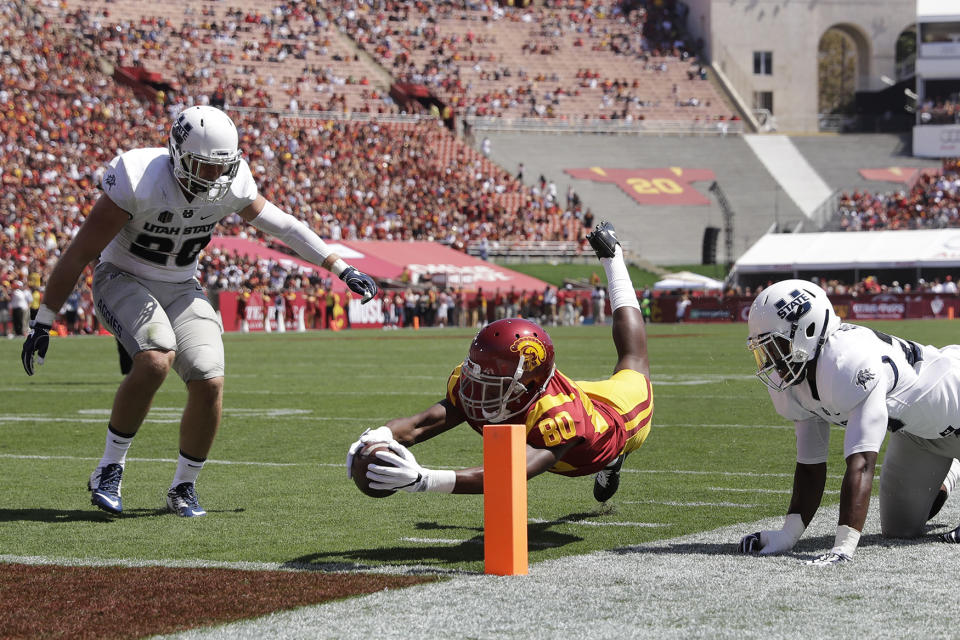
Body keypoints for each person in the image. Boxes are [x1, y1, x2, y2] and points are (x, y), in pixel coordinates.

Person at [21, 105, 378, 518]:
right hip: (122, 278)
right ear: (176, 152)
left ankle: (184, 486)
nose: (211, 176)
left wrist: (340, 266)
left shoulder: (232, 183)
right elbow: (81, 251)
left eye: (218, 167)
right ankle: (109, 467)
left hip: (182, 287)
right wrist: (43, 321)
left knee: (209, 378)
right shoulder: (138, 176)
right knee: (156, 358)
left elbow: (284, 226)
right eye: (200, 165)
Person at [346, 222, 653, 500]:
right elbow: (420, 425)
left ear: (528, 385)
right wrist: (380, 435)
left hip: (618, 419)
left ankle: (613, 258)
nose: (477, 390)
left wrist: (424, 480)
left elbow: (509, 473)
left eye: (493, 384)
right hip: (565, 397)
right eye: (478, 377)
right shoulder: (484, 384)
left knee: (633, 360)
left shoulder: (559, 418)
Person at [736, 279, 960, 565]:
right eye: (767, 350)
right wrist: (788, 535)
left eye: (778, 346)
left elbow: (862, 462)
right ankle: (952, 469)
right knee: (900, 527)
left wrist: (843, 548)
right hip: (919, 435)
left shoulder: (846, 361)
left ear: (808, 330)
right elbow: (810, 465)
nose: (773, 361)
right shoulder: (799, 378)